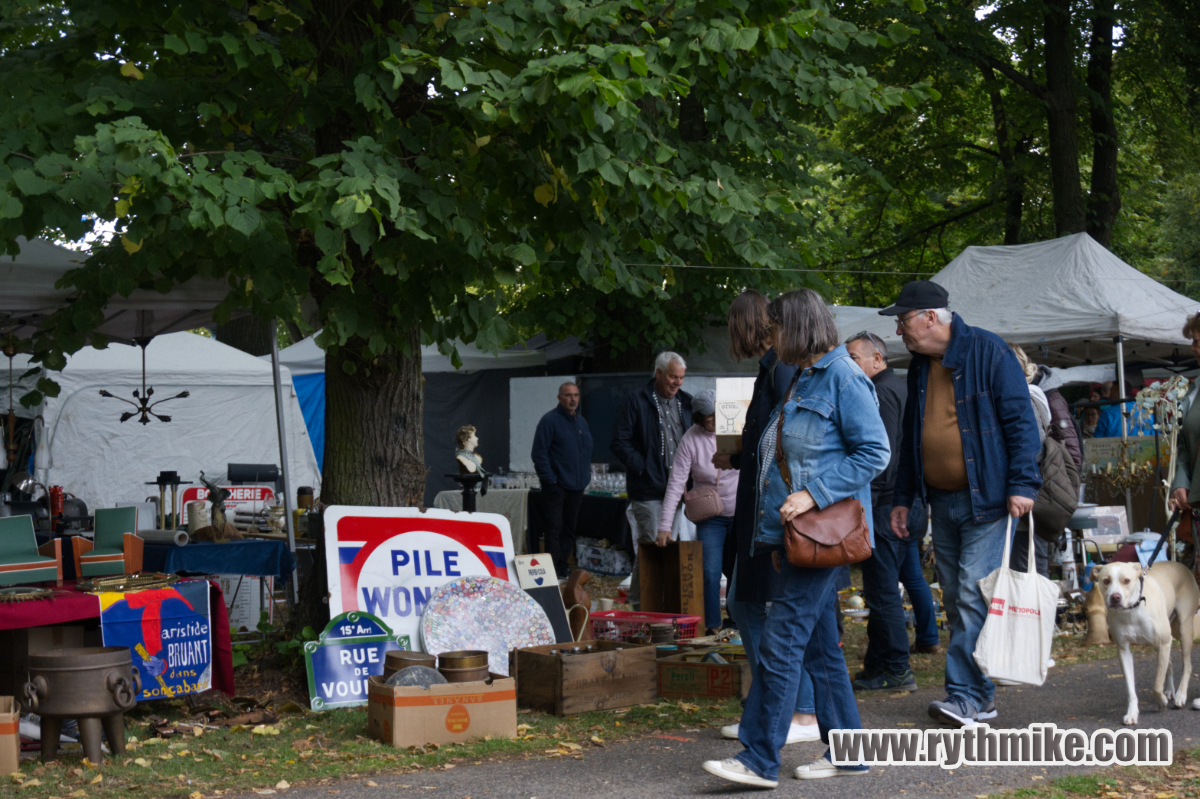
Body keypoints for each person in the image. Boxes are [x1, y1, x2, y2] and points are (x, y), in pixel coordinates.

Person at [703, 289, 890, 787]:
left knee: (783, 641)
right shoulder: (807, 377)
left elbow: (875, 452)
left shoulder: (845, 378)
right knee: (818, 648)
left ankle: (759, 758)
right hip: (795, 537)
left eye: (777, 327)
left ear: (799, 327)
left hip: (821, 536)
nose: (772, 337)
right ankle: (849, 752)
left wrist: (813, 494)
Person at [883, 280, 1043, 729]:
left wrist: (1024, 484)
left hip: (988, 501)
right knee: (956, 598)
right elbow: (914, 437)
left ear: (930, 318)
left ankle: (966, 697)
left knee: (973, 592)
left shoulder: (990, 352)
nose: (900, 331)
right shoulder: (919, 366)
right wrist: (904, 498)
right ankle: (982, 697)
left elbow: (1020, 423)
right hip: (941, 501)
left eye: (903, 320)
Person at [711, 290, 816, 747]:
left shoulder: (782, 369)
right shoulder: (773, 368)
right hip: (761, 508)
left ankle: (797, 711)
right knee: (749, 605)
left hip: (773, 513)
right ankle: (779, 709)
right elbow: (767, 442)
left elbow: (788, 443)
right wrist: (738, 458)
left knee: (759, 608)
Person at [845, 331, 918, 693]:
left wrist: (863, 507)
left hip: (885, 505)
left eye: (854, 358)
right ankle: (878, 665)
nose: (849, 366)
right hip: (896, 503)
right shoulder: (896, 387)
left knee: (882, 589)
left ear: (877, 359)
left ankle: (897, 667)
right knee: (881, 587)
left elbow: (881, 457)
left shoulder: (884, 391)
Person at [610, 352, 694, 609]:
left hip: (678, 490)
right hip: (648, 490)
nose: (677, 382)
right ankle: (644, 606)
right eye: (672, 376)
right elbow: (618, 442)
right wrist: (643, 468)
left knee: (666, 549)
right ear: (658, 373)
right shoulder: (635, 401)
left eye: (681, 378)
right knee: (652, 546)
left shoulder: (687, 402)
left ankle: (648, 603)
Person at [658, 389, 737, 634]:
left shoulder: (734, 430)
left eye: (716, 416)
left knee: (736, 570)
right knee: (710, 572)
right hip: (710, 516)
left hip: (739, 511)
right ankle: (712, 625)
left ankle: (735, 622)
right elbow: (676, 482)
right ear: (698, 418)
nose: (713, 421)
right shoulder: (690, 439)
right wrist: (664, 526)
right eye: (708, 417)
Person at [530, 382, 594, 577]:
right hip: (556, 486)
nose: (572, 399)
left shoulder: (581, 421)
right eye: (568, 395)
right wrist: (551, 480)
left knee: (569, 528)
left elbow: (585, 451)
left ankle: (563, 565)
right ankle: (551, 568)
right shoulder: (549, 421)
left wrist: (585, 476)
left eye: (575, 395)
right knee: (554, 528)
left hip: (577, 485)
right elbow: (538, 454)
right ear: (559, 398)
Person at [1008, 345, 1052, 579]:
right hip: (1027, 498)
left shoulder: (1027, 398)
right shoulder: (1027, 396)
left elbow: (1034, 449)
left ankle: (1039, 616)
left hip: (1029, 499)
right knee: (1024, 568)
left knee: (1029, 572)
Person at [1169, 314, 1200, 515]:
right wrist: (1181, 482)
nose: (1192, 348)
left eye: (1196, 341)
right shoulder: (1194, 389)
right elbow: (1185, 444)